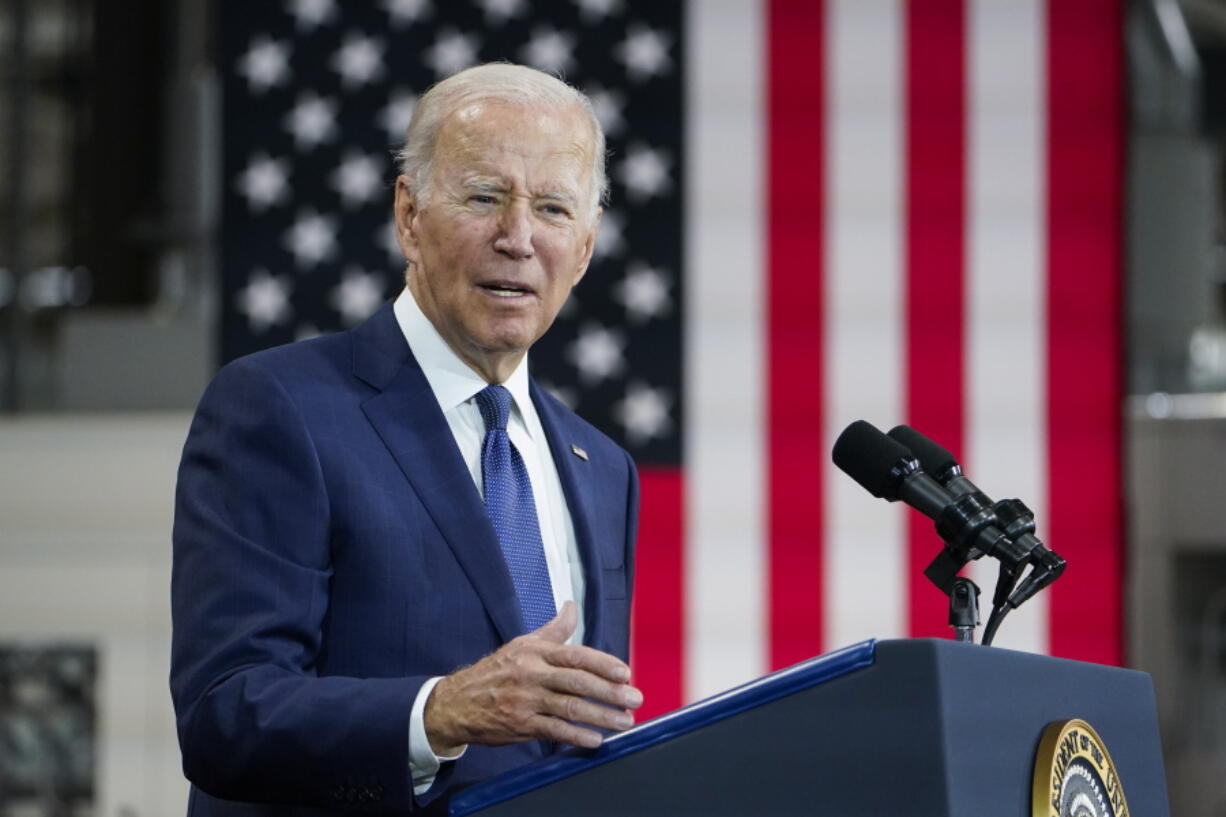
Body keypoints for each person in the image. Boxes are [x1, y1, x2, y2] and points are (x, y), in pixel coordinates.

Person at [170, 62, 642, 816]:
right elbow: (224, 712)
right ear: (410, 215)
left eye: (553, 209)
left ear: (583, 250)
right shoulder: (279, 408)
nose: (517, 237)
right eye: (485, 197)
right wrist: (439, 711)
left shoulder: (602, 467)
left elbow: (576, 728)